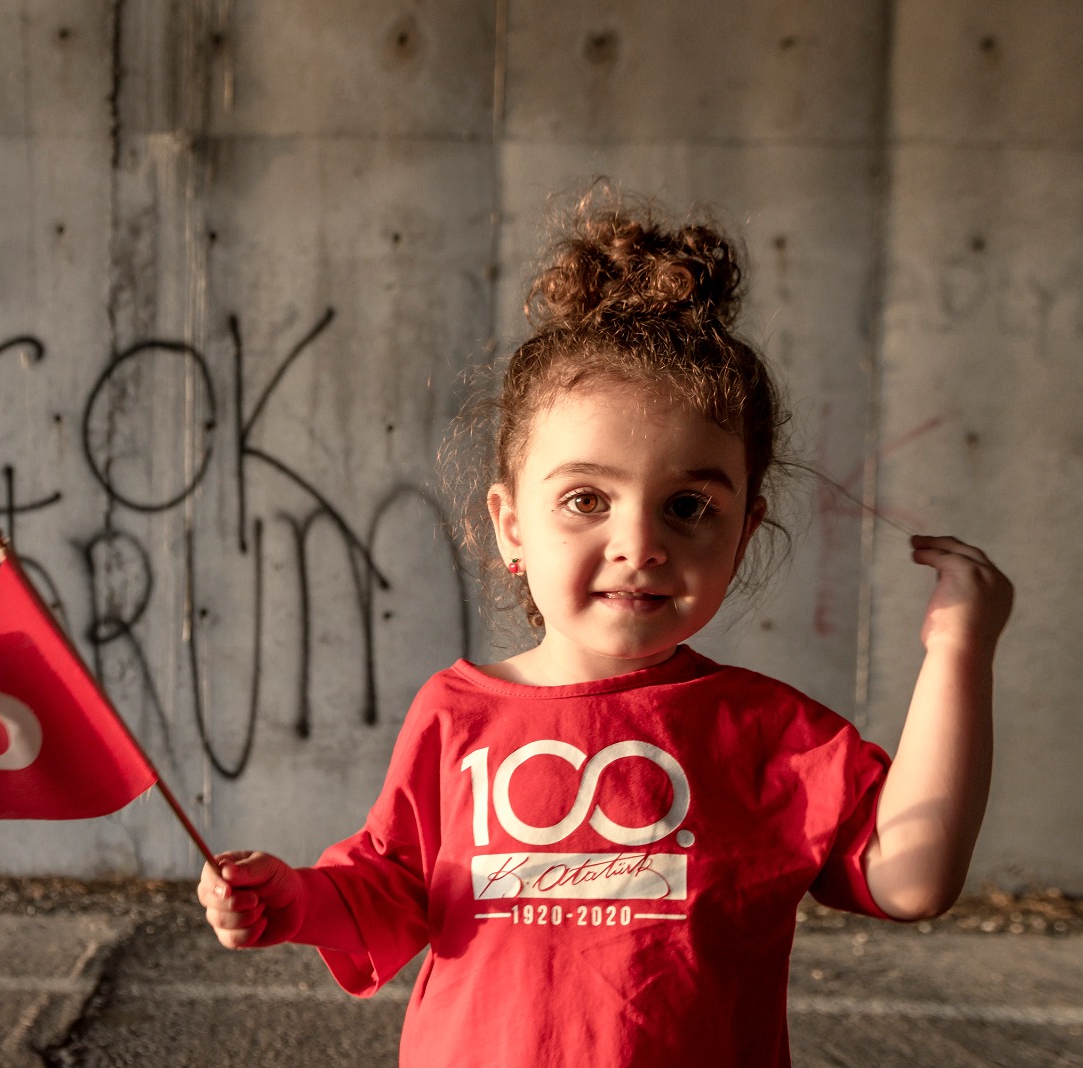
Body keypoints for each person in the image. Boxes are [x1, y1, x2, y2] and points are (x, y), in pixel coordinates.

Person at [195, 186, 1014, 1067]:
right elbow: (392, 887)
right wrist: (295, 900)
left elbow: (914, 876)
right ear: (512, 525)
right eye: (586, 499)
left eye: (689, 505)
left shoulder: (770, 733)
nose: (640, 544)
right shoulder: (453, 713)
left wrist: (958, 649)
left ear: (743, 532)